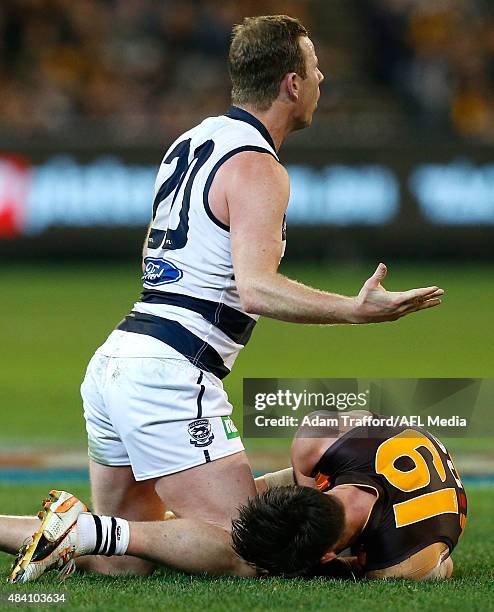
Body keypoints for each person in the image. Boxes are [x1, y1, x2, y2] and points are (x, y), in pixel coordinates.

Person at [7, 15, 444, 583]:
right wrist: (354, 311)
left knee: (125, 561)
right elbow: (254, 287)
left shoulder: (192, 141)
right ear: (291, 83)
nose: (322, 78)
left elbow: (155, 252)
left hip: (119, 357)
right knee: (253, 550)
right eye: (314, 68)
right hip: (170, 371)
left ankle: (77, 531)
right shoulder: (259, 166)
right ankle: (85, 529)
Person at [233, 410, 468, 580]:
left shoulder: (401, 568)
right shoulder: (314, 442)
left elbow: (446, 566)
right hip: (398, 454)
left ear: (326, 556)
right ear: (307, 491)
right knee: (241, 505)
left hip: (415, 521)